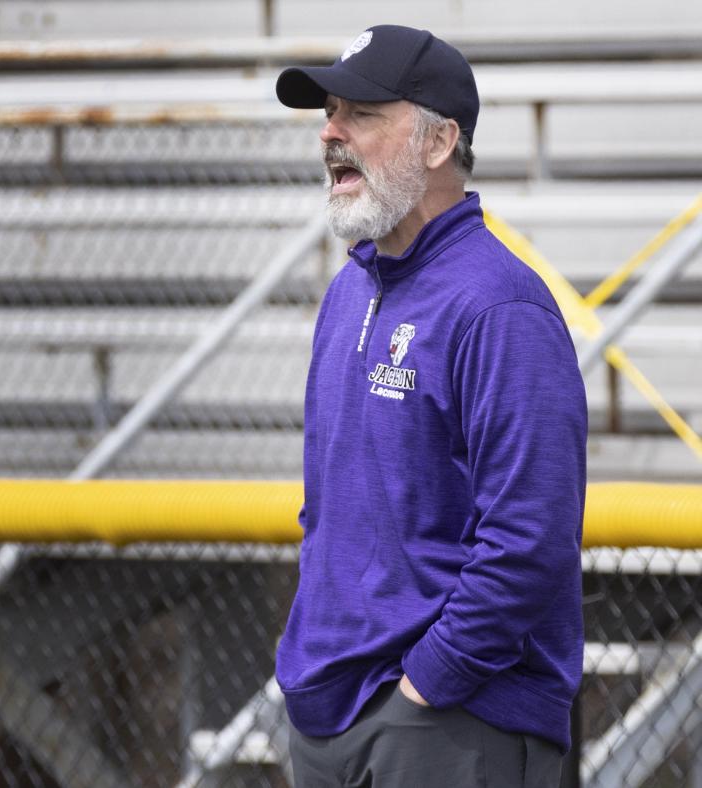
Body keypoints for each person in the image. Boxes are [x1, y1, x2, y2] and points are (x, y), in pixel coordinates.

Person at [274, 25, 587, 787]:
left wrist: (427, 686)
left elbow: (529, 538)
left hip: (451, 721)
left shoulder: (501, 305)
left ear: (440, 140)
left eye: (362, 114)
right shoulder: (350, 288)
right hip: (329, 716)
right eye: (329, 112)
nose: (330, 134)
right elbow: (327, 511)